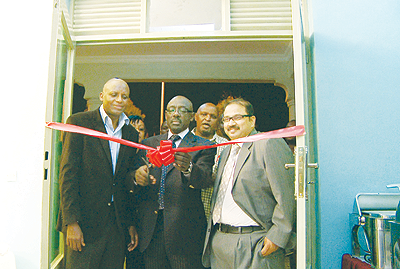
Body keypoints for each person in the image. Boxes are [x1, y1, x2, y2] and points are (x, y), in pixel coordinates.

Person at [202, 98, 295, 269]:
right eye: (226, 119)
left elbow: (286, 194)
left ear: (252, 120)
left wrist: (277, 236)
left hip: (254, 242)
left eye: (237, 117)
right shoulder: (227, 150)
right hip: (221, 241)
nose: (231, 123)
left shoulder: (268, 143)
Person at [57, 78, 139, 269]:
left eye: (124, 96)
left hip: (116, 227)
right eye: (114, 94)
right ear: (102, 96)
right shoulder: (79, 122)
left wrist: (130, 223)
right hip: (83, 225)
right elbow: (68, 175)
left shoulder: (131, 134)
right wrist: (71, 222)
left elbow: (123, 182)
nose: (119, 99)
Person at [134, 95, 217, 269]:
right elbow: (130, 178)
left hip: (185, 235)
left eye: (182, 110)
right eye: (171, 110)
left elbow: (204, 179)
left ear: (192, 116)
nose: (176, 114)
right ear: (166, 114)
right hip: (152, 231)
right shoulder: (149, 143)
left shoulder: (204, 145)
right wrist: (137, 177)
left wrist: (189, 168)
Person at [192, 103, 228, 222]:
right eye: (204, 114)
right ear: (195, 117)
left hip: (213, 214)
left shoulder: (226, 146)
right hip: (185, 213)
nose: (207, 119)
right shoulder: (183, 143)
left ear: (218, 122)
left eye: (213, 116)